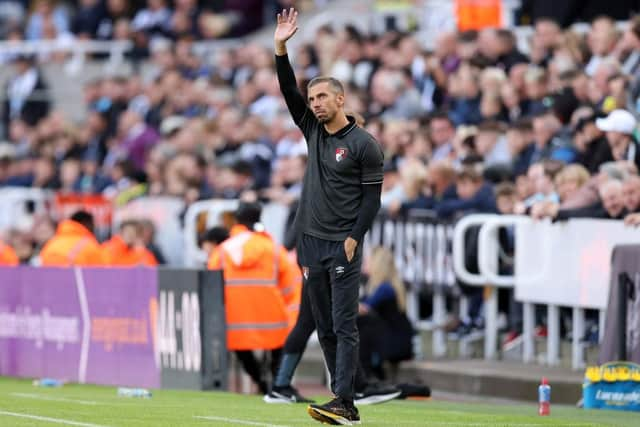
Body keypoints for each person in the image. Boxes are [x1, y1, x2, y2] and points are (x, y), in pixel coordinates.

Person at [274, 8, 384, 425]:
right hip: (310, 243)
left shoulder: (364, 145)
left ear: (341, 99)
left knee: (344, 324)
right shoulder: (313, 131)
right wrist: (281, 48)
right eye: (313, 97)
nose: (315, 103)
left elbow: (371, 200)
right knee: (322, 326)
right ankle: (343, 404)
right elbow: (288, 91)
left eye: (323, 97)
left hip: (342, 242)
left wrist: (355, 238)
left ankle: (345, 401)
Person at [208, 202, 301, 395]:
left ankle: (259, 380)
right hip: (272, 318)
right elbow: (290, 284)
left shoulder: (223, 251)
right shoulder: (273, 249)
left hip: (237, 321)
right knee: (279, 346)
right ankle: (277, 384)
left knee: (240, 348)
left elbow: (211, 285)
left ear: (237, 220)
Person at [39, 210, 106, 266]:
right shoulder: (90, 245)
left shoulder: (52, 243)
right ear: (86, 223)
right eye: (92, 224)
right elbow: (99, 273)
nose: (94, 228)